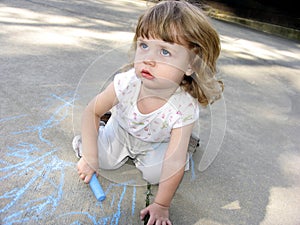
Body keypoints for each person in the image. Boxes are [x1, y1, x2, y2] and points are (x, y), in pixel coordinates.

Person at [72, 0, 223, 224]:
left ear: (191, 65)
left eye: (164, 51)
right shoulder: (126, 83)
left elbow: (173, 162)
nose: (148, 59)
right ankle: (106, 124)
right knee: (99, 158)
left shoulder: (184, 107)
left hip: (156, 141)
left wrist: (162, 205)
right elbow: (90, 112)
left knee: (160, 174)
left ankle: (185, 141)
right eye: (144, 45)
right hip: (122, 130)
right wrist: (90, 157)